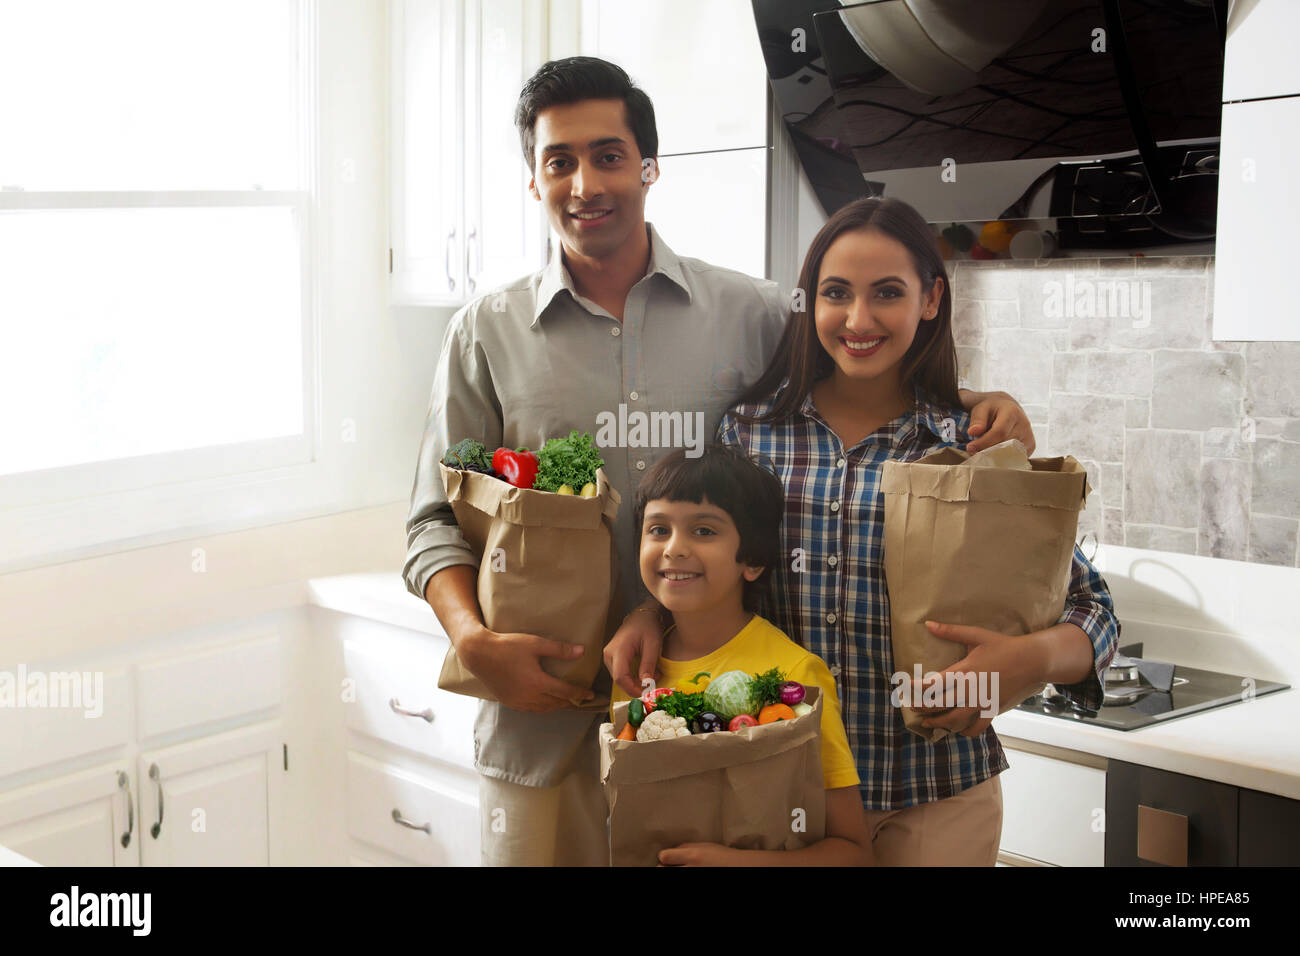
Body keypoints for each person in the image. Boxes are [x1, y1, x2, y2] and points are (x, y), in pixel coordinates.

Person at [404, 56, 1035, 867]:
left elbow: (867, 361)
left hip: (718, 741)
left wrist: (980, 402)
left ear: (649, 167)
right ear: (533, 179)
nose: (585, 183)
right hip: (544, 730)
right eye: (558, 161)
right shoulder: (483, 334)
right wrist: (473, 639)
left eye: (609, 155)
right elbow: (431, 519)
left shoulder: (758, 312)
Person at [607, 196, 1121, 865]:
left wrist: (1028, 659)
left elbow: (1095, 610)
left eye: (887, 293)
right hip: (781, 797)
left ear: (931, 299)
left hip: (937, 794)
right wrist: (652, 611)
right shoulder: (748, 435)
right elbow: (701, 552)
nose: (858, 319)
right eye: (835, 294)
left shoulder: (972, 450)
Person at [612, 445, 871, 865]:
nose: (674, 548)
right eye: (658, 529)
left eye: (704, 531)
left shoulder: (796, 675)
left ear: (752, 560)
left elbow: (853, 852)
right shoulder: (633, 666)